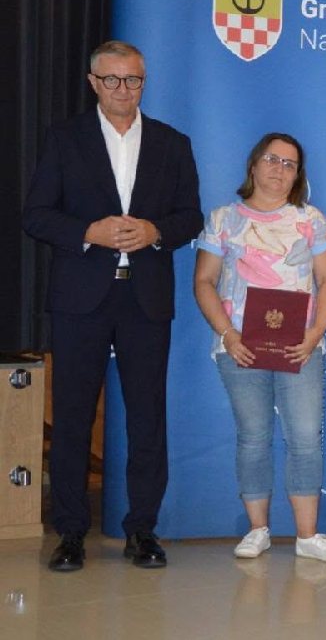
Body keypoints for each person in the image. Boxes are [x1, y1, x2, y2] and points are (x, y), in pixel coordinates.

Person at [23, 40, 202, 572]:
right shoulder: (65, 139)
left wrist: (155, 231)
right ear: (93, 83)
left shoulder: (172, 143)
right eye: (113, 80)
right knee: (73, 418)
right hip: (81, 299)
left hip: (144, 299)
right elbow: (36, 214)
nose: (124, 89)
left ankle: (142, 530)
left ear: (144, 82)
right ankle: (71, 532)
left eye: (134, 80)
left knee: (147, 418)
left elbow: (190, 216)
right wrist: (88, 232)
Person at [194, 132, 326, 563]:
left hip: (301, 348)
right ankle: (257, 530)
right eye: (272, 159)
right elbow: (203, 281)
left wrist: (315, 334)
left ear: (298, 175)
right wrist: (228, 334)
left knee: (305, 437)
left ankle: (307, 536)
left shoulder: (312, 220)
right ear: (254, 164)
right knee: (253, 437)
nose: (279, 169)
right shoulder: (223, 219)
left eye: (289, 164)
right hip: (239, 347)